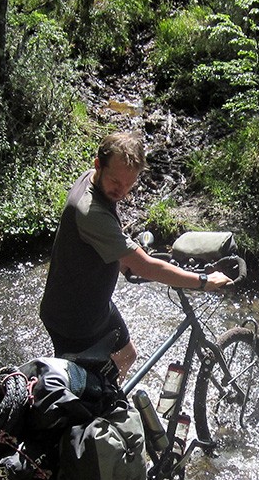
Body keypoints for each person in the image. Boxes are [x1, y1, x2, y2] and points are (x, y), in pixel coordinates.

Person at [39, 131, 232, 381]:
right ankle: (104, 402)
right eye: (115, 181)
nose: (121, 190)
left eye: (129, 183)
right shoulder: (90, 212)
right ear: (98, 165)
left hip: (94, 306)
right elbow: (146, 266)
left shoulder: (92, 180)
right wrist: (203, 281)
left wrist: (121, 259)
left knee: (127, 355)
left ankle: (111, 395)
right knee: (84, 393)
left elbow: (98, 240)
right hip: (74, 320)